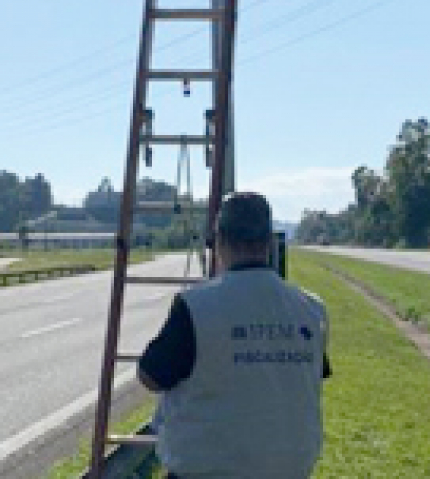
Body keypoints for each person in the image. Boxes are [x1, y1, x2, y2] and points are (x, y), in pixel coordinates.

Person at [138, 192, 331, 479]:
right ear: (269, 243)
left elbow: (150, 376)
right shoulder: (311, 308)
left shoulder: (194, 306)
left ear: (219, 241)